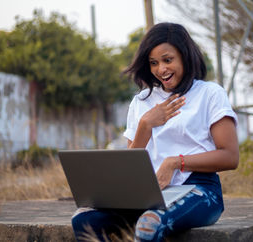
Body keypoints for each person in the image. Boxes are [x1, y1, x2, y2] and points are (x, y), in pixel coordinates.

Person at [71, 22, 239, 242]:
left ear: (185, 57)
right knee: (83, 220)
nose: (161, 69)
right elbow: (129, 163)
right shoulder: (141, 101)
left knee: (150, 223)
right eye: (154, 63)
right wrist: (145, 125)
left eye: (168, 60)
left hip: (200, 190)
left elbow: (230, 156)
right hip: (147, 194)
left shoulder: (209, 94)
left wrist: (175, 162)